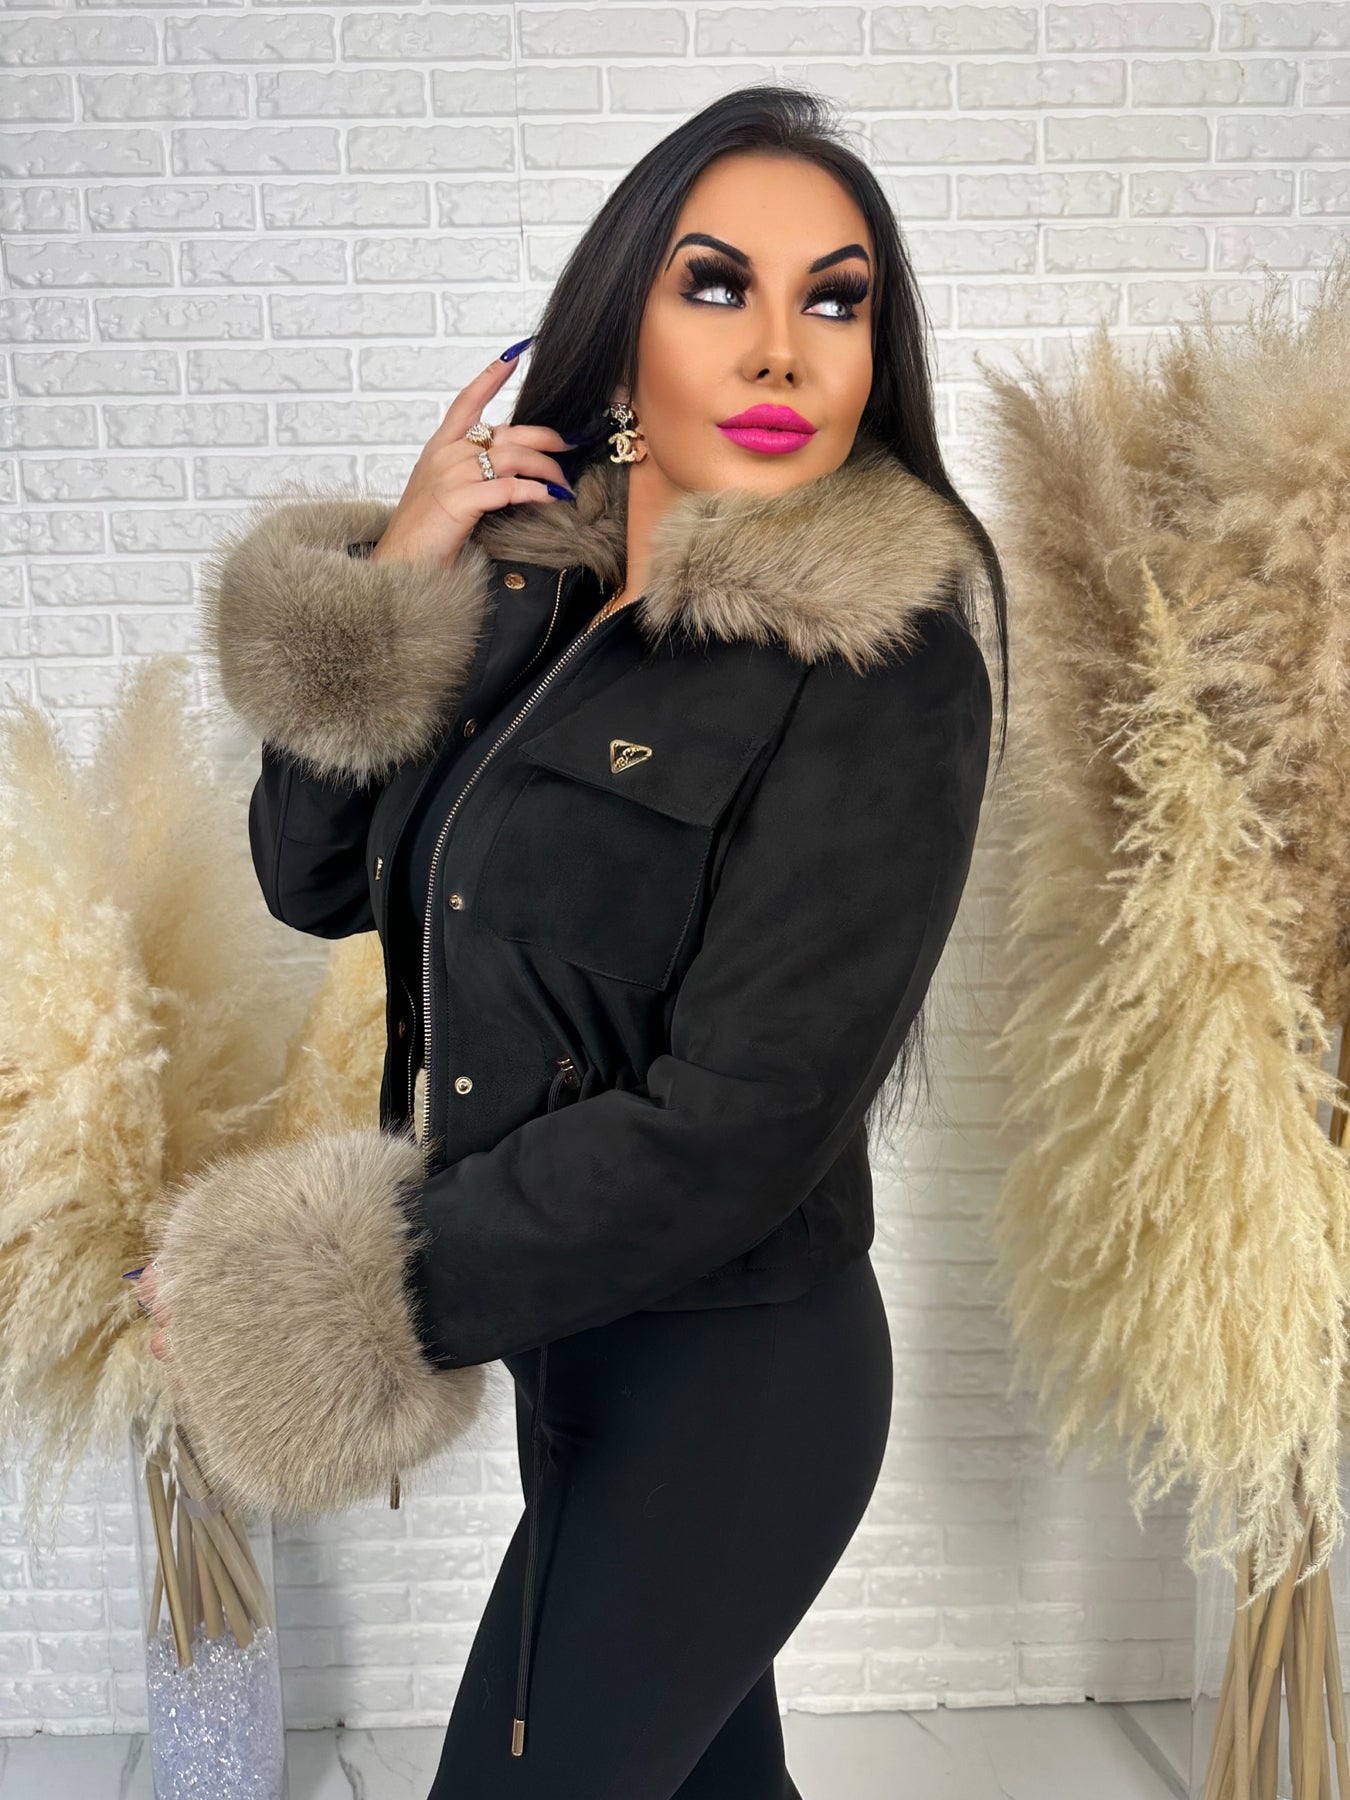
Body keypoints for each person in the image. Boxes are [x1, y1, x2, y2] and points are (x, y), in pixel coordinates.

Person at [134, 84, 1008, 1799]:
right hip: (569, 1357)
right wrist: (399, 579)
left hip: (734, 1387)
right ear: (617, 341)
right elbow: (313, 877)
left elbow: (742, 1117)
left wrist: (332, 1290)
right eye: (717, 285)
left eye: (834, 301)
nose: (780, 350)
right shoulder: (531, 594)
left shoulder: (882, 671)